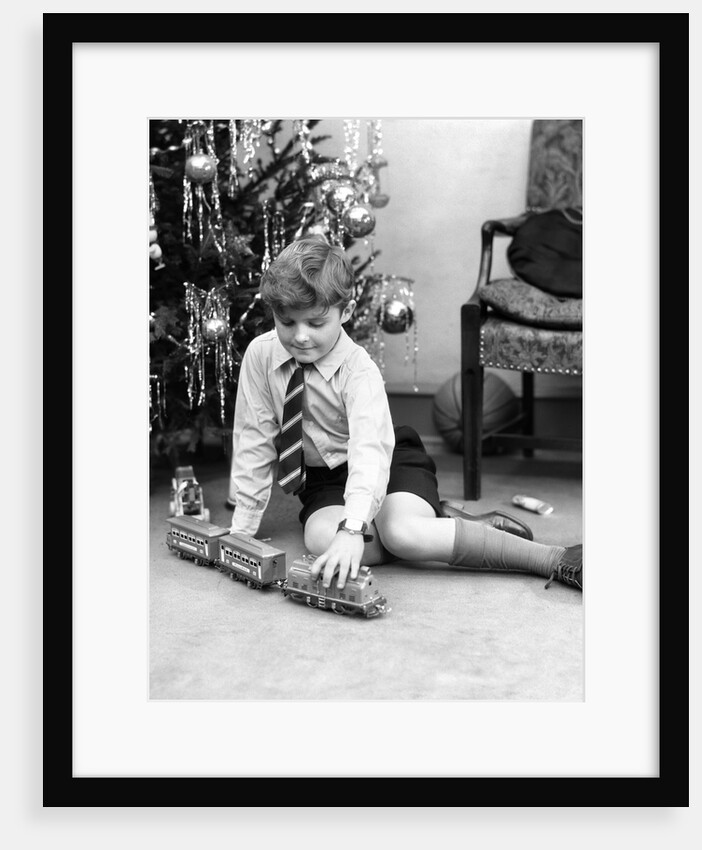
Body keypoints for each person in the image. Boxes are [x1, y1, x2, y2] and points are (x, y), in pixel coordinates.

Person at [228, 236, 582, 592]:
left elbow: (370, 451)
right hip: (325, 479)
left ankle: (552, 558)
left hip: (388, 459)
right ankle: (444, 526)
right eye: (287, 322)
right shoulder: (261, 355)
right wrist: (242, 528)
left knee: (401, 533)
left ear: (346, 312)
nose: (301, 336)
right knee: (322, 540)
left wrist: (353, 528)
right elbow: (254, 436)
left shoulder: (358, 371)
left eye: (316, 323)